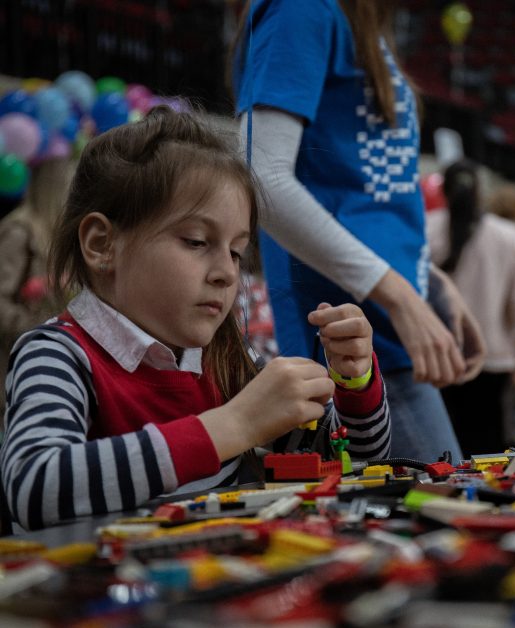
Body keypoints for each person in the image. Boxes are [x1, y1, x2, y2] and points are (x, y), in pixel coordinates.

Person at [0, 107, 390, 532]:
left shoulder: (224, 360)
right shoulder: (58, 354)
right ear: (102, 245)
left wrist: (354, 382)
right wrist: (235, 424)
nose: (227, 272)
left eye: (236, 251)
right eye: (197, 241)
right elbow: (34, 485)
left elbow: (355, 462)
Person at [230, 0, 482, 464]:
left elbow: (366, 192)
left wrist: (428, 282)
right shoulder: (302, 8)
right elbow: (261, 175)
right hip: (352, 343)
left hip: (383, 334)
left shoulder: (352, 18)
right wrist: (400, 295)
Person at [426, 159, 515, 455]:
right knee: (487, 445)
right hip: (495, 356)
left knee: (445, 448)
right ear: (480, 192)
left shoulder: (426, 228)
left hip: (438, 354)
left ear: (445, 192)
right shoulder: (509, 235)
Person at [0, 157, 73, 429]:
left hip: (39, 364)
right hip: (10, 368)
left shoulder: (53, 232)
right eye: (68, 183)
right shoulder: (19, 230)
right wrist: (38, 331)